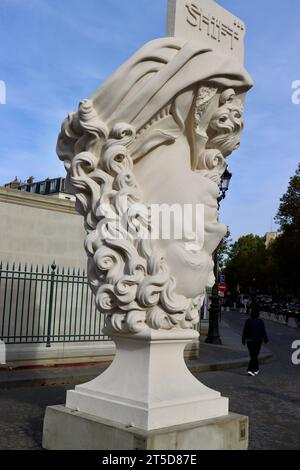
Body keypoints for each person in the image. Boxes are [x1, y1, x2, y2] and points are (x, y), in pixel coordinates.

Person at [242, 303, 269, 376]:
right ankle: (251, 369)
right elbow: (263, 331)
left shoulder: (248, 321)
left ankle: (255, 369)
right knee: (255, 355)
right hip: (258, 340)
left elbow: (245, 330)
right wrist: (266, 339)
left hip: (249, 341)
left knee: (253, 355)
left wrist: (243, 339)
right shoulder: (260, 321)